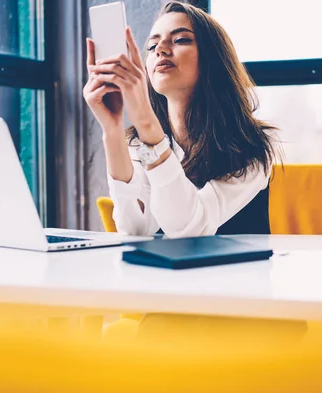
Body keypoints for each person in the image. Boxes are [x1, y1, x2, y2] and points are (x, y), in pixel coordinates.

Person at [83, 1, 281, 239]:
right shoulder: (141, 142)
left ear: (213, 59)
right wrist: (112, 128)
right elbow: (135, 229)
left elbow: (190, 228)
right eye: (152, 44)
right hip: (168, 276)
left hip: (235, 275)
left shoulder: (254, 144)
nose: (160, 49)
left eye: (180, 40)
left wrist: (146, 122)